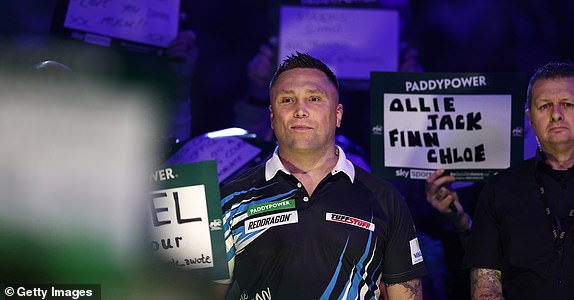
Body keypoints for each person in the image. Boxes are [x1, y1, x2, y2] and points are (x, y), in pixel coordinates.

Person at [219, 52, 426, 299]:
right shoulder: (231, 198)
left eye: (314, 98)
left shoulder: (384, 198)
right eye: (287, 100)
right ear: (272, 117)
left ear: (338, 114)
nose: (300, 110)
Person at [462, 61, 574, 299]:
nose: (556, 114)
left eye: (567, 104)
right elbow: (485, 290)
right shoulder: (499, 188)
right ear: (529, 117)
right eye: (545, 106)